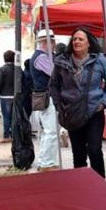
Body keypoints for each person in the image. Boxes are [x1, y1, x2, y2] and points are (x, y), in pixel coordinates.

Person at [50, 28, 106, 177]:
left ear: (89, 43)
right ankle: (81, 188)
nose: (76, 41)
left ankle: (99, 186)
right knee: (78, 153)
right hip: (72, 112)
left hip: (94, 112)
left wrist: (103, 103)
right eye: (74, 38)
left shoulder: (100, 60)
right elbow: (53, 85)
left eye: (80, 39)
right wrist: (59, 106)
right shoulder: (62, 61)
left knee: (94, 150)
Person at [30, 30, 59, 170]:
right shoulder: (41, 58)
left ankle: (45, 161)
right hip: (47, 97)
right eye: (52, 41)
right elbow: (55, 74)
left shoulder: (43, 56)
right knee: (51, 131)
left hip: (44, 96)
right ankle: (47, 163)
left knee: (48, 131)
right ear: (48, 42)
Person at [0, 50, 19, 142]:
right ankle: (15, 135)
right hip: (16, 96)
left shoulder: (2, 69)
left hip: (5, 96)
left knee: (6, 117)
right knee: (15, 116)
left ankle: (6, 135)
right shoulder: (18, 69)